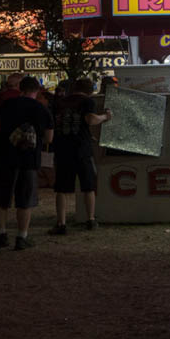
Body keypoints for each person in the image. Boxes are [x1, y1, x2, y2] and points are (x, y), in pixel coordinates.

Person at [0, 76, 53, 251]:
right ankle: (22, 236)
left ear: (20, 89)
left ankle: (0, 233)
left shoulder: (7, 104)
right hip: (29, 159)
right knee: (25, 198)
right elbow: (49, 138)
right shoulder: (42, 109)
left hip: (5, 156)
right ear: (36, 91)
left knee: (0, 197)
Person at [49, 78, 112, 234]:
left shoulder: (60, 102)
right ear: (90, 90)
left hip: (62, 148)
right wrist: (105, 117)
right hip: (81, 149)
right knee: (88, 185)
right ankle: (90, 219)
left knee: (61, 188)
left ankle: (61, 223)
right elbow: (90, 119)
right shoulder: (87, 101)